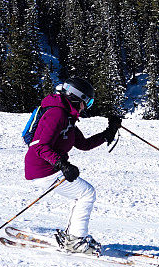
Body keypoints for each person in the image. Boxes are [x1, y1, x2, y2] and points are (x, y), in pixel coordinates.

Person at [24, 76, 121, 254]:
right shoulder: (56, 114)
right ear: (77, 97)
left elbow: (83, 144)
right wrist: (62, 164)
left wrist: (109, 132)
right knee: (86, 193)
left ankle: (74, 236)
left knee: (85, 193)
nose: (87, 106)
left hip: (49, 167)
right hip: (42, 168)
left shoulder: (67, 115)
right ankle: (75, 241)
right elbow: (38, 146)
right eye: (87, 101)